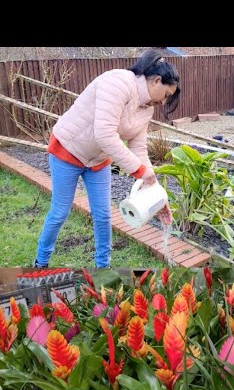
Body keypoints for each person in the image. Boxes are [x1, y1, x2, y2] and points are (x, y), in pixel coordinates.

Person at [34, 49, 178, 268]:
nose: (164, 102)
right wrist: (139, 171)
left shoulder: (146, 109)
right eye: (167, 95)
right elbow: (104, 134)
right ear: (157, 81)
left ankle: (103, 267)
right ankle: (41, 261)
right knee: (60, 212)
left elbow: (139, 149)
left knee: (103, 216)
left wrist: (155, 193)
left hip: (98, 160)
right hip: (68, 152)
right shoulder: (118, 83)